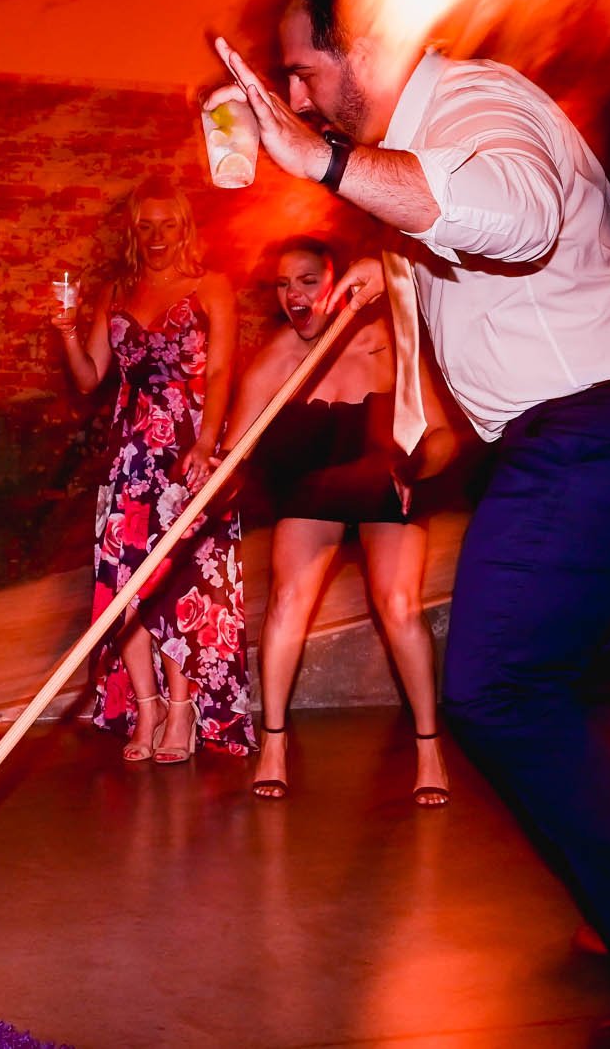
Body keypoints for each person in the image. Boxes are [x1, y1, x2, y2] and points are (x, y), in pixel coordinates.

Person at [203, 0, 610, 1022]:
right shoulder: (423, 147)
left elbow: (512, 217)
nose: (292, 97)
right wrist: (389, 275)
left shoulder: (474, 102)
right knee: (537, 686)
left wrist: (325, 161)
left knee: (496, 685)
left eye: (299, 70)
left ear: (362, 41)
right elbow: (459, 250)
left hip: (598, 428)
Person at [228, 236, 456, 804]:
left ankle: (430, 749)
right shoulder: (278, 357)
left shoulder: (386, 342)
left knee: (399, 606)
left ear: (338, 281)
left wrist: (417, 467)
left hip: (386, 484)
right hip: (313, 489)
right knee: (286, 603)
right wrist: (205, 478)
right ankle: (273, 745)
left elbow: (446, 435)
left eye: (307, 280)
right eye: (283, 285)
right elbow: (231, 453)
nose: (293, 295)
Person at [52, 177, 255, 762]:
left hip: (187, 449)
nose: (157, 235)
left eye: (168, 224)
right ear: (134, 231)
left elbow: (219, 375)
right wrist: (66, 332)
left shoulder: (210, 287)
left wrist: (208, 444)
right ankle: (144, 709)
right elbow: (90, 377)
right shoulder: (118, 290)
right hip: (128, 457)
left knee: (177, 585)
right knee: (125, 585)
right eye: (146, 225)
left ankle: (182, 712)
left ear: (185, 227)